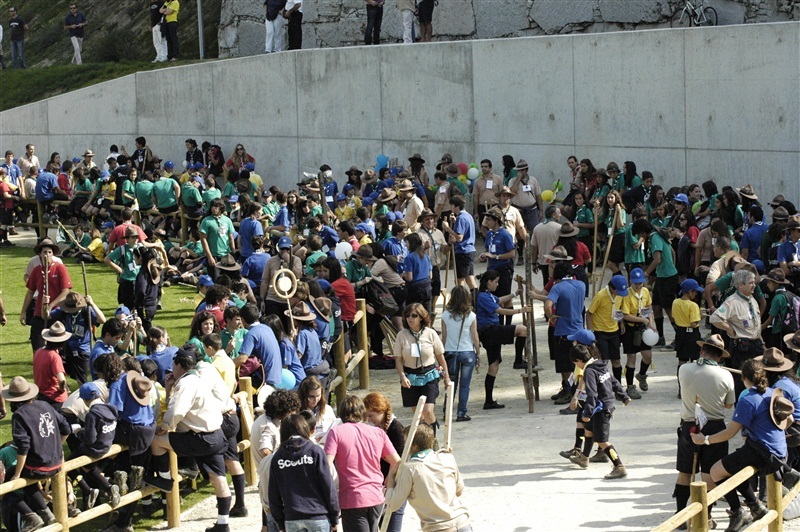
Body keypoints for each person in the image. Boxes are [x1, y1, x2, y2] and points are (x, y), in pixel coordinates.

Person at [690, 359, 798, 531]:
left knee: (716, 471)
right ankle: (754, 506)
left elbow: (729, 433)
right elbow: (790, 419)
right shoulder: (773, 393)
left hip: (762, 451)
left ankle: (741, 510)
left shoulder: (748, 400)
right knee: (733, 467)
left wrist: (705, 440)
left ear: (744, 378)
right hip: (780, 450)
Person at [147, 351, 232, 532]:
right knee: (220, 480)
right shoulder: (201, 378)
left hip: (198, 437)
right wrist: (170, 388)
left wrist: (165, 426)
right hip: (216, 434)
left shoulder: (186, 383)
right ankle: (223, 523)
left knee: (156, 440)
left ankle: (164, 480)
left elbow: (177, 410)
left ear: (179, 366)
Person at [673, 334, 735, 521]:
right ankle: (706, 516)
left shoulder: (684, 369)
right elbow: (728, 405)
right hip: (715, 427)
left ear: (702, 351)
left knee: (685, 472)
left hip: (689, 426)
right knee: (709, 474)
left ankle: (680, 514)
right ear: (720, 357)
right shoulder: (726, 375)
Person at [324, 395, 401, 532]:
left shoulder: (336, 432)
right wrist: (388, 479)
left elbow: (326, 465)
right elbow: (396, 461)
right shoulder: (378, 432)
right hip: (376, 496)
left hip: (352, 497)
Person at [4, 376, 71, 529]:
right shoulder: (45, 405)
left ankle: (32, 517)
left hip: (39, 467)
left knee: (9, 482)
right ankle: (46, 514)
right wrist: (55, 447)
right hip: (56, 463)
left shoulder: (19, 415)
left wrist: (17, 474)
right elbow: (66, 428)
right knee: (29, 480)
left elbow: (24, 446)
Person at [385, 423, 472, 532]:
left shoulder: (410, 469)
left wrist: (392, 478)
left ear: (415, 446)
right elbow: (459, 490)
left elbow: (393, 505)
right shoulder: (447, 457)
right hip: (463, 524)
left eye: (406, 441)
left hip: (439, 528)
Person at [568, 345, 631, 479]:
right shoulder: (600, 366)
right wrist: (623, 396)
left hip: (600, 409)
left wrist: (586, 413)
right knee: (588, 431)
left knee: (602, 441)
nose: (576, 366)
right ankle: (584, 458)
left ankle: (619, 465)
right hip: (605, 405)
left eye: (575, 363)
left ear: (579, 360)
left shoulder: (589, 371)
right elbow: (613, 381)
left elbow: (592, 393)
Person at [268, 414, 340, 532]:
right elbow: (328, 486)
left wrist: (280, 524)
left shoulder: (278, 456)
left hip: (292, 518)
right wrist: (334, 517)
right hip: (318, 516)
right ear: (304, 428)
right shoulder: (315, 451)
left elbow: (273, 493)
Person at [476, 269, 530, 410]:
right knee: (522, 330)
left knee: (494, 365)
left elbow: (500, 300)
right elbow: (499, 310)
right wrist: (520, 311)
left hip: (490, 332)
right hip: (490, 330)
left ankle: (489, 401)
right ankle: (518, 360)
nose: (497, 285)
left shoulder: (488, 295)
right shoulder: (482, 296)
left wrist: (515, 294)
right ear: (488, 282)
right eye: (496, 282)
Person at [394, 303, 449, 430]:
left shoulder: (430, 333)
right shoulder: (401, 335)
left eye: (414, 315)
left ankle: (433, 437)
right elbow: (398, 359)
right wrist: (402, 376)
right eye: (407, 316)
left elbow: (441, 357)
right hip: (410, 377)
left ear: (421, 317)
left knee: (428, 411)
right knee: (418, 414)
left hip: (429, 375)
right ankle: (425, 439)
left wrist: (446, 377)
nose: (410, 318)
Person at [710, 269, 763, 397]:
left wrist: (761, 340)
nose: (754, 285)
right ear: (740, 285)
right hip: (741, 347)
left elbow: (755, 323)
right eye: (750, 283)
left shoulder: (752, 300)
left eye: (754, 282)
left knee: (758, 377)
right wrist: (729, 329)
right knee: (742, 379)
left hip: (756, 344)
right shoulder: (732, 302)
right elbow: (715, 318)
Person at [545, 260, 587, 402]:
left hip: (563, 330)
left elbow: (547, 304)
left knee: (564, 365)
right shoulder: (581, 285)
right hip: (579, 328)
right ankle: (576, 390)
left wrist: (550, 316)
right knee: (578, 362)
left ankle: (569, 390)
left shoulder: (558, 287)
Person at [20, 238, 73, 352]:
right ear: (40, 254)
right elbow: (30, 292)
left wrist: (50, 306)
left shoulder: (60, 268)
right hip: (39, 313)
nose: (47, 255)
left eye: (49, 252)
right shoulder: (36, 270)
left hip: (57, 313)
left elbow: (65, 291)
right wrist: (23, 312)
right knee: (38, 347)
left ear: (53, 254)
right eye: (44, 252)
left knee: (58, 349)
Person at [363, 392, 406, 532]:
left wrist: (389, 480)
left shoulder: (396, 429)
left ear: (381, 411)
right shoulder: (377, 430)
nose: (369, 420)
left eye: (371, 415)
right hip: (381, 487)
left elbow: (400, 461)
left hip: (396, 484)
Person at [441, 285, 479, 422]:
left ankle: (447, 412)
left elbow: (444, 338)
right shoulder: (471, 315)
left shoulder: (445, 316)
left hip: (451, 352)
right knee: (465, 385)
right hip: (467, 351)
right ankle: (461, 413)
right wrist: (478, 352)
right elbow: (474, 336)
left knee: (451, 384)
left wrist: (442, 354)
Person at [620, 268, 655, 399]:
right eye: (636, 283)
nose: (638, 286)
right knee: (632, 358)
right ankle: (630, 386)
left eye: (640, 283)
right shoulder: (626, 294)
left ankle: (642, 375)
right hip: (630, 328)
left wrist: (650, 322)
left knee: (648, 356)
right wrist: (643, 320)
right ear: (630, 282)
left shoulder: (645, 292)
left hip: (643, 327)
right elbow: (625, 315)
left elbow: (648, 308)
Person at [586, 275, 628, 385]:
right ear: (612, 288)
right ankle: (603, 386)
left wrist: (621, 323)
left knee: (616, 360)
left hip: (614, 331)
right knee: (603, 361)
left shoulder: (620, 296)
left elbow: (618, 309)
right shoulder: (600, 296)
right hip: (601, 332)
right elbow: (589, 314)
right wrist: (590, 332)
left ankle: (618, 385)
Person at [442, 195, 477, 290]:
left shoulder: (461, 218)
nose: (450, 208)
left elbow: (459, 237)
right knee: (469, 278)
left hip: (463, 251)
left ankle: (461, 300)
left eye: (451, 205)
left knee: (459, 280)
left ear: (456, 206)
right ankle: (475, 297)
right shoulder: (468, 216)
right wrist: (455, 221)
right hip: (469, 251)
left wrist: (447, 228)